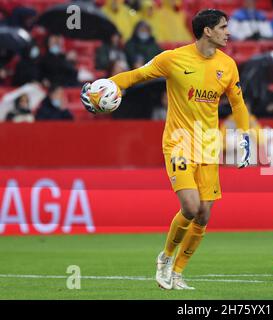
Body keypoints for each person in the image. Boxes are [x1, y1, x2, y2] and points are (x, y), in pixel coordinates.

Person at [81, 9, 250, 290]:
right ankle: (165, 258)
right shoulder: (173, 58)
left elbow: (238, 104)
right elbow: (137, 76)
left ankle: (179, 272)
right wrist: (109, 87)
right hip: (179, 141)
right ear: (207, 31)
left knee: (205, 214)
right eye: (223, 27)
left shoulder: (228, 65)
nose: (228, 32)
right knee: (191, 206)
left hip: (208, 145)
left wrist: (245, 136)